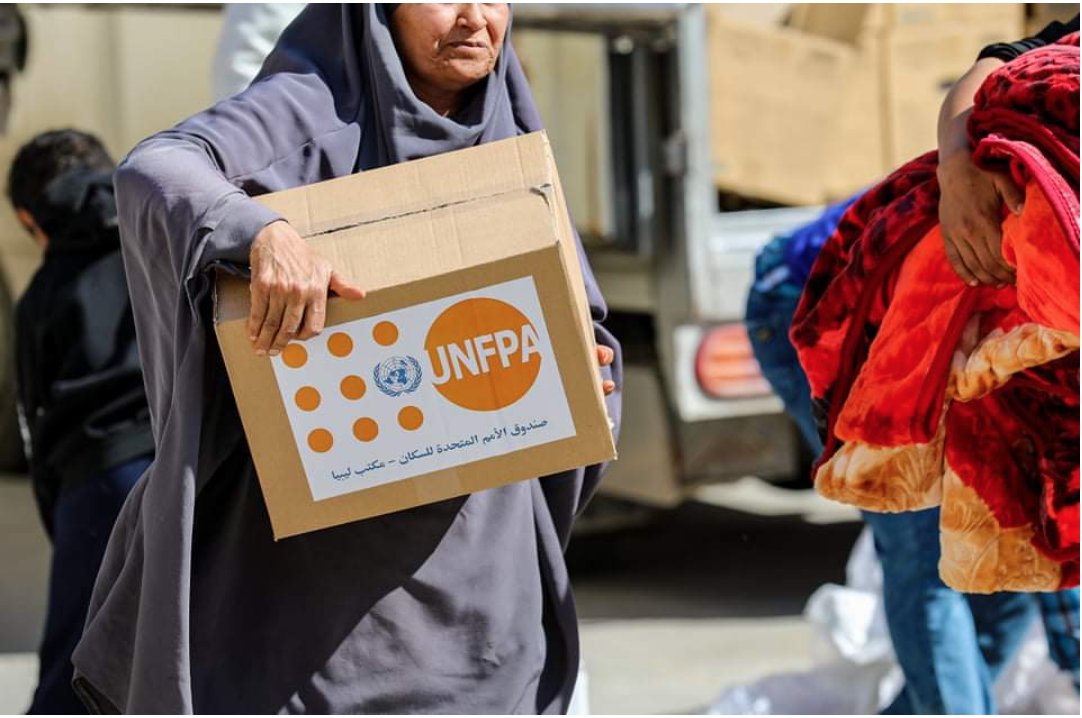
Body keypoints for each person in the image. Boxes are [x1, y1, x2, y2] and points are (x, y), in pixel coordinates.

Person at [72, 5, 621, 714]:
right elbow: (155, 168)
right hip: (311, 616)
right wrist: (259, 234)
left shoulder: (505, 131)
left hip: (482, 599)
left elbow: (580, 319)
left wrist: (581, 374)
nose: (474, 17)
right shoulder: (311, 109)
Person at [749, 15, 1079, 714]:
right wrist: (959, 165)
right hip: (824, 301)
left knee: (1004, 571)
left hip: (974, 329)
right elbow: (1001, 57)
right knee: (928, 557)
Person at [8, 129, 154, 714]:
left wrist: (65, 518)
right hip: (197, 463)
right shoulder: (159, 239)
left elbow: (33, 424)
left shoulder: (43, 293)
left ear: (29, 217)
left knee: (77, 668)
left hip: (98, 480)